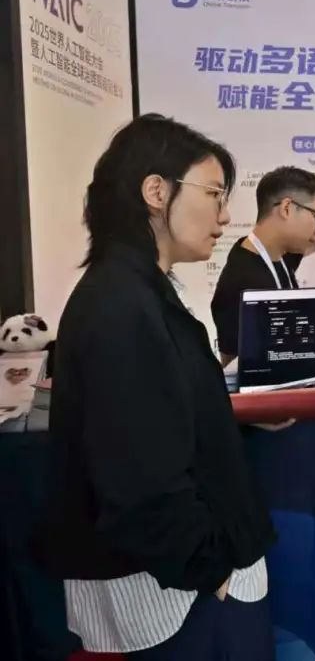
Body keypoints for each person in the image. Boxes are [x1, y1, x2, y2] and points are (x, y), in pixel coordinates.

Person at [32, 114, 276, 659]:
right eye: (214, 193)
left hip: (186, 583)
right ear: (156, 192)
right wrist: (211, 572)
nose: (225, 215)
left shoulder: (139, 290)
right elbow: (139, 476)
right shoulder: (121, 305)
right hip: (178, 596)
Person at [211, 165, 315, 366]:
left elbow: (314, 243)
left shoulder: (277, 254)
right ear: (286, 209)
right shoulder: (244, 283)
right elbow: (235, 367)